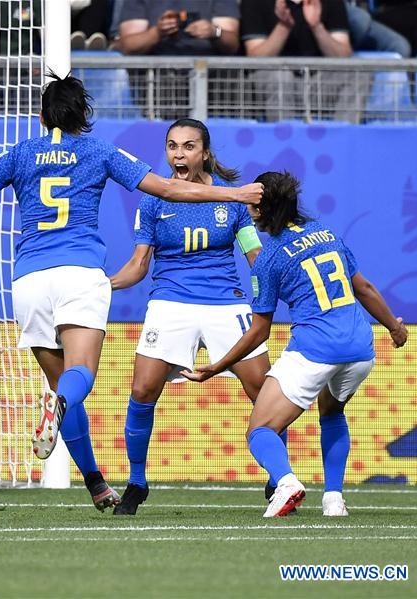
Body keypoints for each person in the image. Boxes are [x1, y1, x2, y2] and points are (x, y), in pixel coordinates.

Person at [0, 73, 264, 510]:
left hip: (30, 279)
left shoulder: (21, 152)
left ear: (42, 116)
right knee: (79, 380)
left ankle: (95, 482)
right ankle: (59, 405)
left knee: (62, 382)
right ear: (84, 116)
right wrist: (237, 192)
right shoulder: (99, 150)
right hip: (80, 274)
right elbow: (167, 187)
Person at [183, 171, 408, 518]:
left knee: (260, 429)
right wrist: (394, 327)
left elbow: (259, 331)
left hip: (316, 349)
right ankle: (333, 499)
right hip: (361, 347)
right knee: (332, 411)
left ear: (259, 210)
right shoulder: (327, 233)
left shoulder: (269, 258)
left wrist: (215, 367)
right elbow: (363, 288)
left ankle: (286, 482)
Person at [108, 118, 273, 516]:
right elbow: (138, 265)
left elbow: (256, 258)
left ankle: (278, 476)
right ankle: (136, 481)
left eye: (188, 146)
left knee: (265, 392)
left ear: (205, 153)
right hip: (170, 303)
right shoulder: (153, 199)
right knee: (143, 390)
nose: (178, 154)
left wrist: (273, 290)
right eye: (172, 146)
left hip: (225, 303)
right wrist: (103, 285)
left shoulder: (229, 200)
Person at [241, 0, 357, 122]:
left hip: (317, 84)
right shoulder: (253, 2)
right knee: (281, 76)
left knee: (358, 74)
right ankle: (284, 137)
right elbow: (256, 57)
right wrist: (284, 26)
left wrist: (317, 27)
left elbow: (343, 56)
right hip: (275, 82)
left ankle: (342, 137)